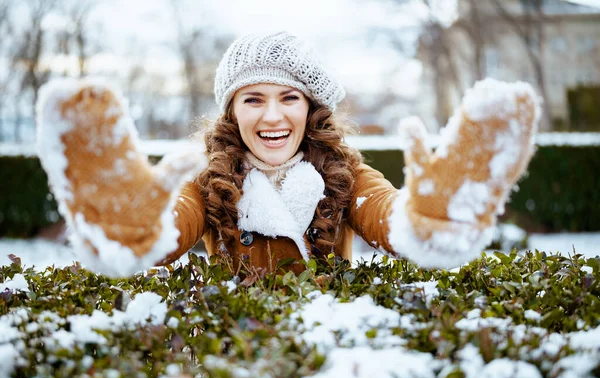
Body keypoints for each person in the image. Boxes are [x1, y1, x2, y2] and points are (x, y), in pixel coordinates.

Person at [36, 32, 540, 277]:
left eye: (289, 98)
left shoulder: (346, 173)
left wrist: (428, 222)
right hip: (233, 365)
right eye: (253, 99)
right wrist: (132, 231)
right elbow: (175, 222)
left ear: (310, 108)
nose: (272, 117)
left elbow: (385, 214)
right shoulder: (206, 178)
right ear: (232, 112)